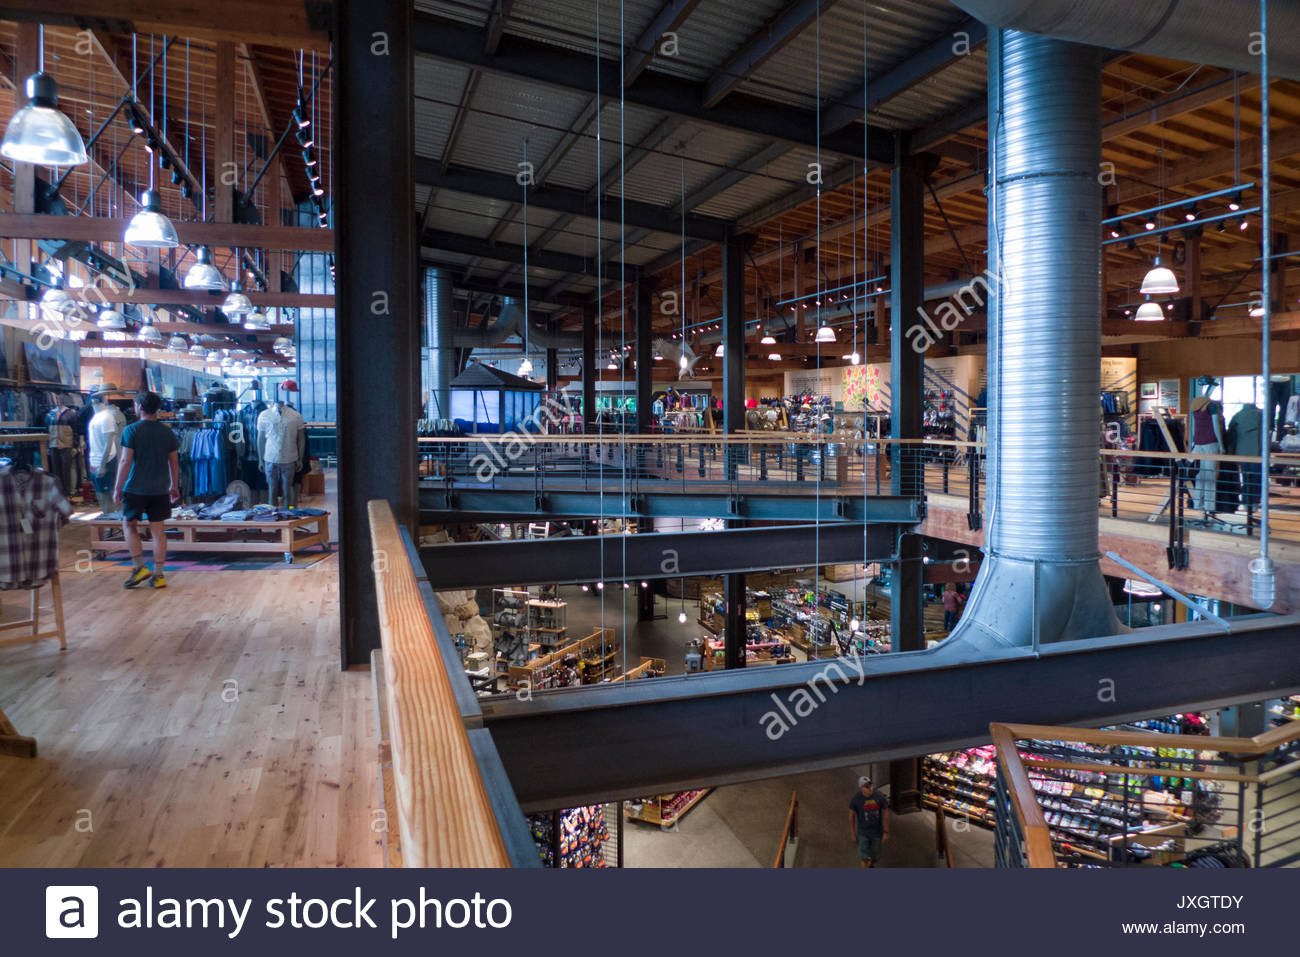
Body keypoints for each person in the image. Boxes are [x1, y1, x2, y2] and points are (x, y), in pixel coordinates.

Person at [112, 391, 180, 589]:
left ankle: (139, 566)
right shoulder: (167, 432)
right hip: (160, 489)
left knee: (129, 524)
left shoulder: (131, 430)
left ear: (139, 407)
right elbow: (174, 462)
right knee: (158, 530)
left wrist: (118, 487)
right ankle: (159, 574)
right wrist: (174, 486)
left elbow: (125, 461)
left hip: (135, 488)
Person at [87, 387, 127, 516]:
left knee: (109, 496)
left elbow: (109, 442)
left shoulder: (107, 417)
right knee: (102, 497)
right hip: (96, 461)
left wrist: (103, 465)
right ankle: (110, 524)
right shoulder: (98, 416)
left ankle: (115, 525)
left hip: (107, 461)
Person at [849, 775, 890, 867]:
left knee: (875, 855)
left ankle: (871, 863)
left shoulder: (879, 796)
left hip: (877, 833)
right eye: (866, 787)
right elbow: (851, 816)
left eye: (870, 786)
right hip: (863, 833)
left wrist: (886, 831)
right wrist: (853, 833)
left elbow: (885, 813)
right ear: (861, 788)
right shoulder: (856, 800)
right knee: (864, 857)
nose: (870, 788)